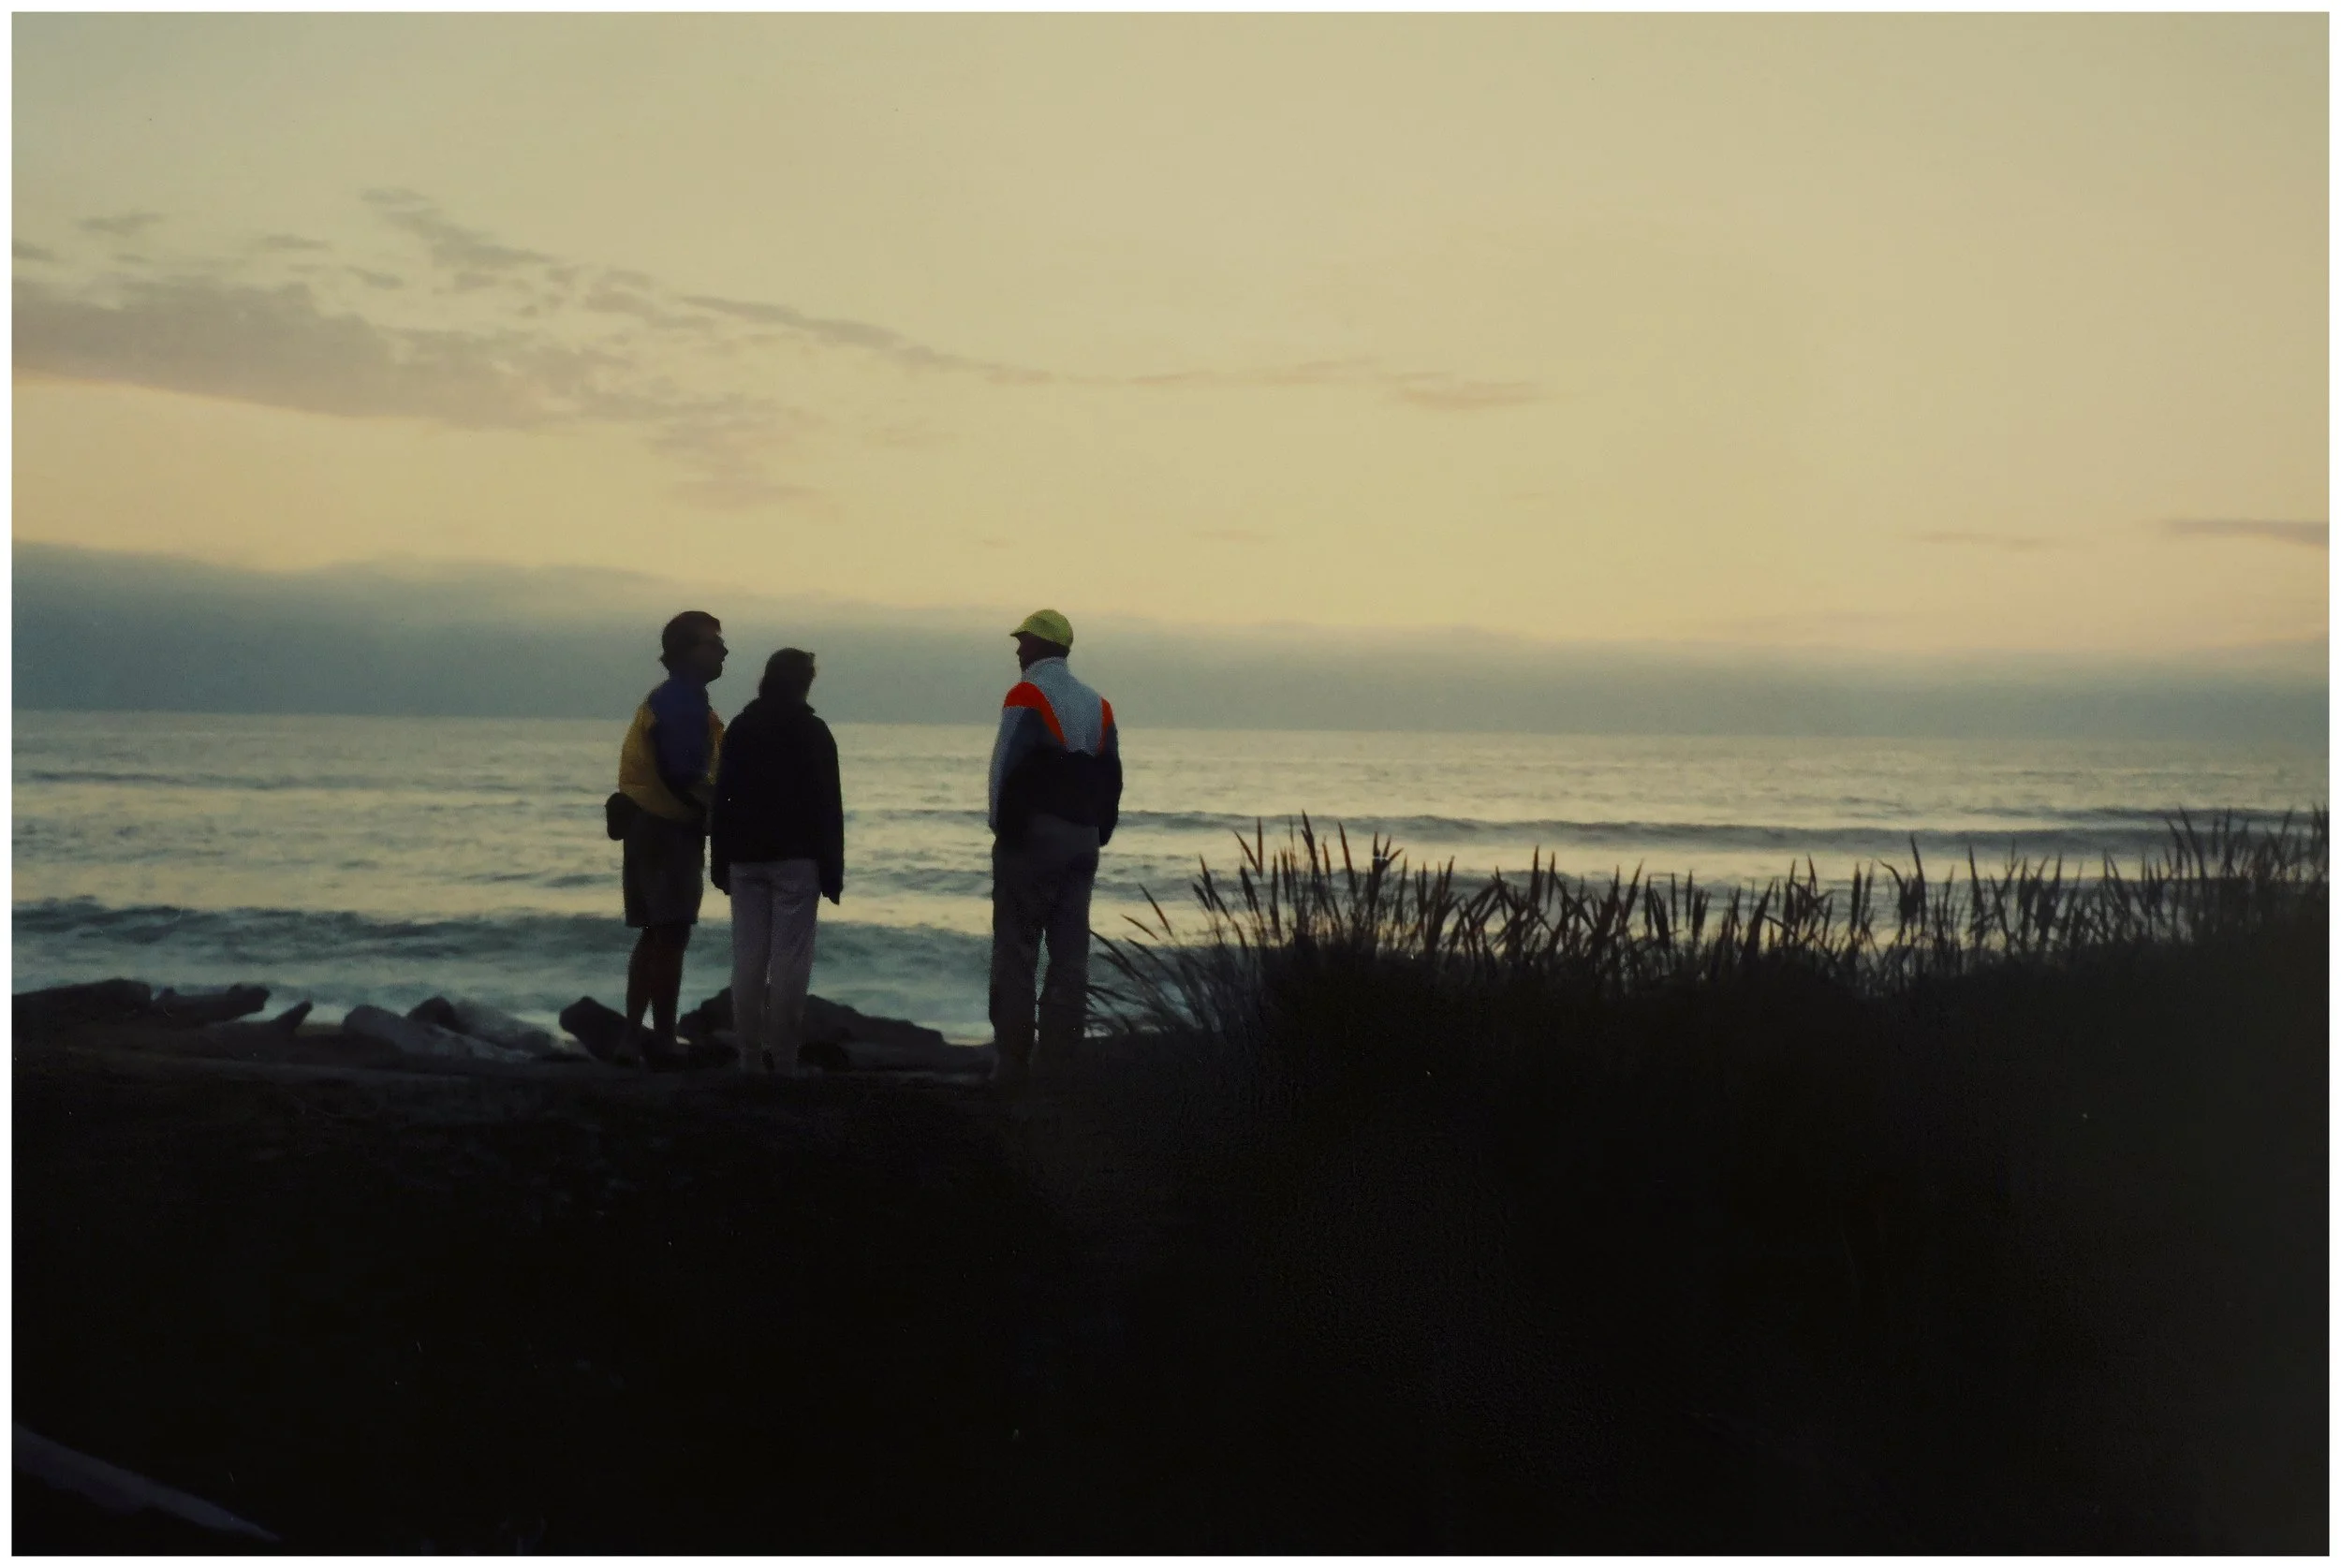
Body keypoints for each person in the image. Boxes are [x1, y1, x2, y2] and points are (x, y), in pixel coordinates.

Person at [986, 608, 1122, 1090]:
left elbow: (1005, 764)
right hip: (1083, 839)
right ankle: (1061, 1061)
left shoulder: (1026, 694)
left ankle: (1013, 1062)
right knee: (1070, 954)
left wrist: (999, 825)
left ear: (1042, 647)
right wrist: (1099, 832)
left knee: (1016, 948)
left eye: (1023, 642)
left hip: (1033, 837)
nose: (1018, 650)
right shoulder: (1098, 704)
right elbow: (1113, 774)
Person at [710, 648, 844, 1077]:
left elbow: (723, 797)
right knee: (790, 958)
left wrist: (719, 860)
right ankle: (784, 1059)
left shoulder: (742, 728)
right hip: (796, 858)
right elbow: (828, 806)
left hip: (745, 856)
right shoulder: (813, 731)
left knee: (747, 957)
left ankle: (748, 1057)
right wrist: (832, 870)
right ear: (803, 683)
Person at [616, 610, 727, 1065]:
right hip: (667, 829)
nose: (723, 651)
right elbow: (685, 773)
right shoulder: (683, 702)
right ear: (685, 650)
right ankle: (660, 1037)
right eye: (713, 643)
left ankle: (634, 1034)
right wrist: (720, 812)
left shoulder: (667, 699)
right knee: (671, 932)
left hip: (648, 825)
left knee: (655, 933)